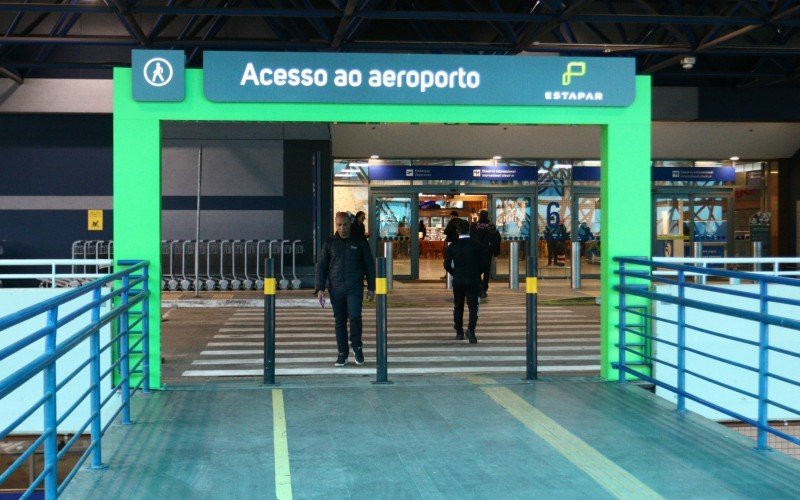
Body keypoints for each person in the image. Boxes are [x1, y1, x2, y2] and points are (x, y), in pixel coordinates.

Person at [315, 212, 376, 367]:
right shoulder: (330, 242)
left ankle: (357, 346)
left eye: (345, 225)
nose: (342, 228)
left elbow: (369, 264)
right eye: (339, 225)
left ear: (350, 224)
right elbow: (322, 266)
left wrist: (371, 287)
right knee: (340, 321)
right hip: (336, 288)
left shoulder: (360, 241)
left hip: (354, 287)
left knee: (355, 316)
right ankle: (342, 353)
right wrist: (320, 288)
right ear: (336, 225)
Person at [444, 218, 488, 343]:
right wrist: (476, 273)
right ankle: (471, 331)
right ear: (469, 229)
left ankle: (459, 332)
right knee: (473, 306)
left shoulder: (453, 246)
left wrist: (455, 273)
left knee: (458, 306)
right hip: (473, 279)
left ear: (458, 231)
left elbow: (446, 264)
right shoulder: (477, 245)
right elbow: (485, 264)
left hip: (458, 279)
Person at [469, 209, 501, 299]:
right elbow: (497, 240)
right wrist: (496, 253)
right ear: (487, 216)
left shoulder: (474, 226)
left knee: (477, 271)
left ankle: (478, 288)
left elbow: (470, 238)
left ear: (479, 216)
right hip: (487, 252)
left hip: (476, 252)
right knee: (486, 271)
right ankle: (484, 289)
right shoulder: (491, 226)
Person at [440, 210, 462, 279]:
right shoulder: (462, 221)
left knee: (449, 259)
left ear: (452, 216)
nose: (450, 217)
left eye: (451, 216)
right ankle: (459, 273)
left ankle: (449, 274)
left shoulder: (451, 221)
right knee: (459, 259)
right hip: (460, 242)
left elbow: (446, 232)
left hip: (451, 242)